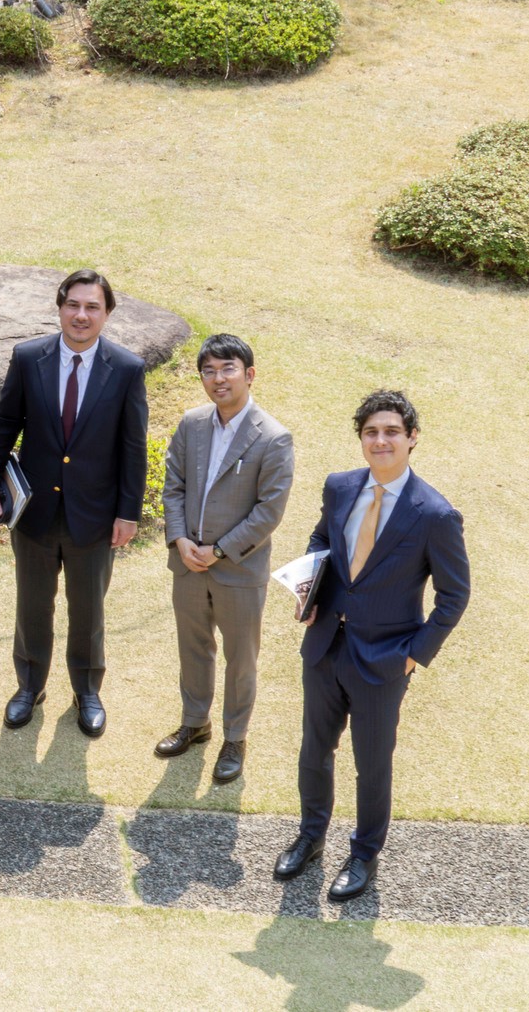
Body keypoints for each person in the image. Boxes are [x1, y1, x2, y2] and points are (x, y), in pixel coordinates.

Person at [275, 390, 468, 903]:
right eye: (371, 432)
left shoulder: (435, 514)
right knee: (314, 750)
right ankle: (311, 836)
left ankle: (364, 854)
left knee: (372, 763)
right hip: (325, 646)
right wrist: (310, 592)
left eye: (391, 432)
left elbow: (454, 596)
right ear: (361, 438)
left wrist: (413, 654)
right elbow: (321, 540)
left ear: (412, 438)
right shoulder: (339, 487)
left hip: (385, 660)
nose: (380, 441)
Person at [0, 269, 148, 738]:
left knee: (88, 610)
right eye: (73, 305)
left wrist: (128, 512)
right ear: (60, 308)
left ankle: (87, 690)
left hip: (95, 517)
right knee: (32, 606)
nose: (82, 315)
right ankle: (29, 686)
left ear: (107, 313)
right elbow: (5, 426)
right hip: (34, 513)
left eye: (92, 307)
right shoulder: (28, 357)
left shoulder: (126, 368)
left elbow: (133, 447)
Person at [157, 333, 296, 785]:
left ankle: (235, 737)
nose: (218, 379)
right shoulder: (192, 424)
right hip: (187, 563)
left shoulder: (273, 437)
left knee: (241, 659)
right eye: (209, 371)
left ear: (249, 374)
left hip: (238, 568)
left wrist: (218, 550)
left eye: (228, 369)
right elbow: (173, 485)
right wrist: (180, 540)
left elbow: (269, 511)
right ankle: (195, 723)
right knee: (193, 648)